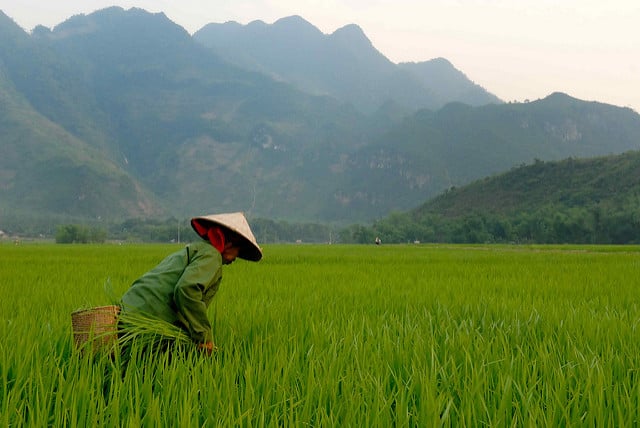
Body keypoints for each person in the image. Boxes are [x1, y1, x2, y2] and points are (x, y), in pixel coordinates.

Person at [119, 212, 262, 355]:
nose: (236, 258)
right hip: (147, 319)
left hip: (130, 312)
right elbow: (187, 290)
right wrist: (204, 337)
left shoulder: (197, 249)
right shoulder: (212, 256)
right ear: (229, 243)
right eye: (239, 251)